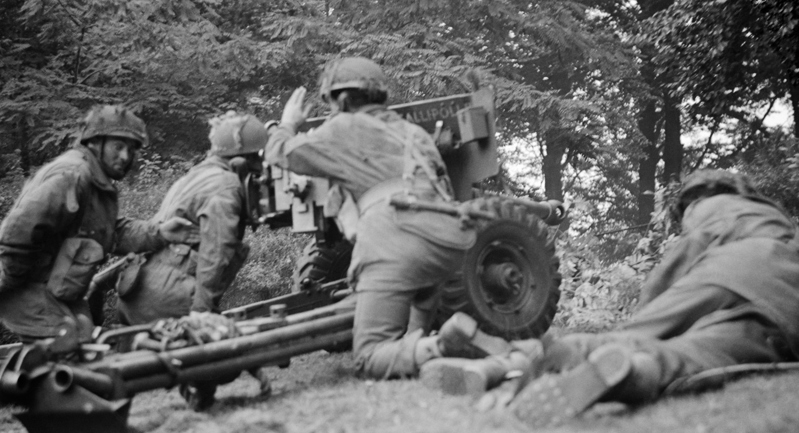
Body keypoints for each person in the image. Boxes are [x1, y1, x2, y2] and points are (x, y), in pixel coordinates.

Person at [265, 56, 522, 379]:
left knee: (370, 356)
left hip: (395, 237)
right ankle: (485, 356)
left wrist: (287, 123)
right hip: (447, 240)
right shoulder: (413, 132)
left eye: (329, 102)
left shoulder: (342, 127)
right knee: (410, 342)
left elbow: (281, 153)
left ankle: (446, 344)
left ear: (340, 99)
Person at [487, 168, 799, 427]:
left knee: (635, 335)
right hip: (788, 309)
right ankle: (637, 372)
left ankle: (566, 352)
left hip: (730, 269)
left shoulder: (709, 206)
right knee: (706, 355)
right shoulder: (771, 215)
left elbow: (676, 266)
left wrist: (647, 316)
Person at [0, 105, 199, 344]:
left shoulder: (97, 183)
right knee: (69, 354)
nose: (125, 157)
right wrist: (9, 284)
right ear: (94, 143)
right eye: (118, 147)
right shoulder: (71, 176)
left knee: (89, 341)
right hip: (24, 288)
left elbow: (111, 232)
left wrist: (161, 233)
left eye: (131, 149)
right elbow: (16, 235)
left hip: (59, 291)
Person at [116, 111, 266, 324]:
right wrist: (202, 312)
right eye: (256, 161)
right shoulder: (225, 186)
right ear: (241, 161)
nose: (260, 170)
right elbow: (216, 251)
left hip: (138, 293)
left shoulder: (194, 177)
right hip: (169, 299)